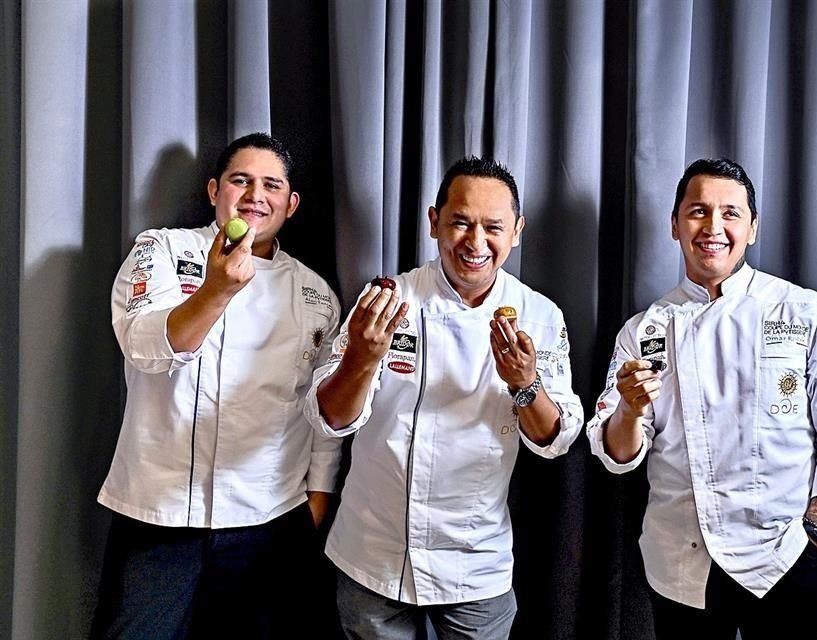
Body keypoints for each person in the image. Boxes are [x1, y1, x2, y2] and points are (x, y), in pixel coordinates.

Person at [587, 158, 817, 639]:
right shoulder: (643, 332)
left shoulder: (804, 311)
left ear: (753, 228)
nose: (713, 227)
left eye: (731, 213)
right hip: (681, 564)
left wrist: (816, 538)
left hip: (785, 559)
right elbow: (617, 455)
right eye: (697, 211)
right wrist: (630, 408)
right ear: (675, 225)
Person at [304, 157, 584, 639]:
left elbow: (553, 440)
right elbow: (329, 417)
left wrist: (524, 383)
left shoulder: (540, 315)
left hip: (476, 562)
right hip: (373, 553)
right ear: (434, 222)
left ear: (516, 231)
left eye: (493, 227)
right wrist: (361, 359)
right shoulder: (388, 299)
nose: (475, 243)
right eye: (460, 222)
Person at [91, 133, 342, 639]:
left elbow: (321, 410)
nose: (255, 195)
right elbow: (142, 346)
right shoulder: (160, 250)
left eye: (271, 185)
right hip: (158, 515)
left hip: (269, 520)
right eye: (240, 180)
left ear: (290, 204)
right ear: (214, 191)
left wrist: (319, 494)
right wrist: (216, 289)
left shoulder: (316, 294)